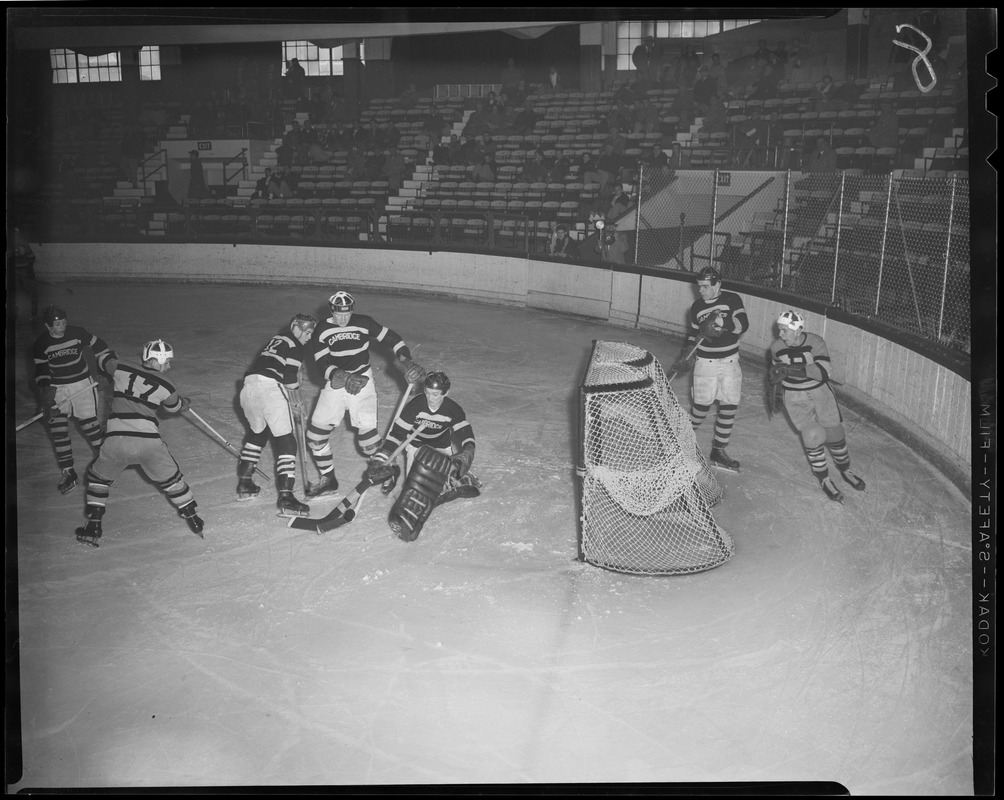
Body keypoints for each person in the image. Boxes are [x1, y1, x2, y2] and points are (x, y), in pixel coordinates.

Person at [75, 340, 203, 546]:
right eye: (167, 362)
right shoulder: (168, 385)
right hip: (149, 443)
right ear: (156, 361)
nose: (169, 367)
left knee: (98, 480)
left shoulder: (120, 367)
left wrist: (103, 368)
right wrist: (184, 403)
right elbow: (174, 407)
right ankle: (194, 519)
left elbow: (103, 358)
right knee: (172, 481)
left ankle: (93, 526)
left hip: (116, 441)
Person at [305, 291, 427, 498]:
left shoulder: (363, 323)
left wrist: (405, 359)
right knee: (315, 438)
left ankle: (389, 469)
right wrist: (342, 376)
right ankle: (329, 479)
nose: (343, 318)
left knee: (368, 442)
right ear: (331, 310)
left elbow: (393, 338)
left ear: (352, 310)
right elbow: (321, 365)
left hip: (362, 381)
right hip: (335, 383)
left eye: (347, 313)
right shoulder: (322, 329)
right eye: (338, 314)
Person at [364, 371, 479, 542]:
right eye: (427, 393)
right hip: (416, 448)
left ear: (445, 393)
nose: (430, 398)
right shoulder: (415, 406)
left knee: (440, 483)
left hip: (441, 448)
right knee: (417, 487)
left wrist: (468, 451)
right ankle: (445, 489)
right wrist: (382, 457)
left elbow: (465, 433)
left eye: (435, 394)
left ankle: (456, 482)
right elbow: (396, 434)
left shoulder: (452, 409)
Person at [768, 310, 867, 502]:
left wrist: (791, 370)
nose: (780, 334)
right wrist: (775, 387)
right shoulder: (776, 346)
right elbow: (776, 371)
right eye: (779, 330)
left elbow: (824, 372)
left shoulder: (815, 342)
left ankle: (845, 470)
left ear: (797, 330)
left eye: (784, 330)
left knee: (835, 434)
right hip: (795, 397)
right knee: (813, 435)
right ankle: (824, 479)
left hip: (821, 393)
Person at [236, 314, 318, 517]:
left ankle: (245, 483)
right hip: (270, 390)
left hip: (248, 389)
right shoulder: (295, 345)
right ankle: (286, 496)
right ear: (297, 329)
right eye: (307, 332)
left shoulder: (276, 340)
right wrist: (297, 401)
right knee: (287, 441)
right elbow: (290, 377)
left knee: (257, 434)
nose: (309, 337)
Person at [33, 305, 118, 494]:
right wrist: (48, 397)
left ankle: (105, 468)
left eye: (63, 322)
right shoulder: (42, 344)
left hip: (82, 385)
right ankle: (69, 472)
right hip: (58, 389)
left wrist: (105, 370)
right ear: (48, 326)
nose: (61, 327)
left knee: (91, 427)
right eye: (56, 324)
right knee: (58, 430)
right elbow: (42, 371)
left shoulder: (77, 333)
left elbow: (100, 345)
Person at [672, 267, 750, 472]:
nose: (702, 291)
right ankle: (677, 444)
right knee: (701, 408)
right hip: (706, 362)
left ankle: (718, 450)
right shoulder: (696, 307)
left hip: (731, 361)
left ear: (717, 285)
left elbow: (743, 324)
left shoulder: (732, 300)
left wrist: (719, 321)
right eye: (699, 287)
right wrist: (687, 352)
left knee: (729, 406)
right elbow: (693, 334)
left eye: (706, 287)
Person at [13, 227, 38, 318]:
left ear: (18, 234)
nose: (14, 235)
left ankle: (34, 305)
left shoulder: (23, 243)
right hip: (14, 271)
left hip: (25, 269)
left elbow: (32, 257)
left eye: (15, 233)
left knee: (32, 289)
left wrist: (30, 269)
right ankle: (13, 308)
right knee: (12, 291)